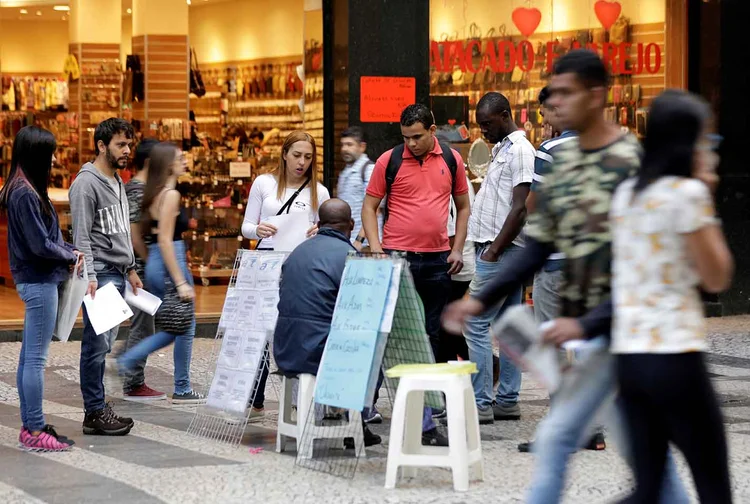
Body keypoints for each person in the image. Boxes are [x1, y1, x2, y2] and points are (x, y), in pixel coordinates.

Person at [442, 50, 688, 503]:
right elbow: (541, 241)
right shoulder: (563, 159)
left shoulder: (631, 162)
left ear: (596, 96)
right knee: (568, 444)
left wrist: (589, 323)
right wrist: (481, 298)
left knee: (646, 458)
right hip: (591, 333)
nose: (552, 102)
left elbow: (646, 265)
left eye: (564, 92)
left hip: (626, 333)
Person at [611, 90, 733, 503]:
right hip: (676, 359)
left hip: (629, 359)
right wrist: (707, 197)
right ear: (688, 142)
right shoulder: (687, 195)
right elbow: (716, 276)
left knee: (647, 491)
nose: (710, 151)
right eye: (706, 141)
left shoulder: (626, 194)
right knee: (713, 484)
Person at [363, 103, 470, 446]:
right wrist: (377, 248)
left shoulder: (452, 160)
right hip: (397, 258)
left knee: (432, 334)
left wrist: (457, 248)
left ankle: (428, 407)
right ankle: (369, 405)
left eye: (418, 137)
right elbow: (369, 206)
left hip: (439, 259)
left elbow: (464, 206)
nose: (411, 143)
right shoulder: (388, 160)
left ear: (433, 130)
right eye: (406, 137)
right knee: (387, 332)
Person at [273, 198, 380, 446]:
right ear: (351, 225)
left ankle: (352, 421)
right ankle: (357, 421)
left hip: (286, 346)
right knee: (373, 348)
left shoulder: (297, 252)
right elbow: (361, 309)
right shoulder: (348, 256)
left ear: (319, 224)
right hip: (317, 352)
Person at [241, 130, 330, 420]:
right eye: (296, 155)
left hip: (299, 264)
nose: (301, 162)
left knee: (294, 328)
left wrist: (319, 231)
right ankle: (255, 397)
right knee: (260, 329)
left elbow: (326, 232)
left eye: (307, 157)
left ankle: (298, 396)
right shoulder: (264, 183)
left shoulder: (319, 191)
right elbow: (246, 226)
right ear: (284, 154)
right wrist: (258, 229)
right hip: (266, 260)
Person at [0, 126, 78, 451]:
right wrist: (69, 254)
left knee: (29, 358)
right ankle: (33, 430)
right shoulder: (24, 193)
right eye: (51, 153)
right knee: (35, 359)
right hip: (38, 281)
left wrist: (67, 249)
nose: (55, 159)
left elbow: (45, 242)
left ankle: (31, 424)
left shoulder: (22, 188)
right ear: (37, 154)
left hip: (34, 280)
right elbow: (39, 244)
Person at [462, 92, 535, 424]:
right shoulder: (502, 148)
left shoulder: (520, 150)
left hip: (501, 249)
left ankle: (480, 402)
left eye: (487, 124)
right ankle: (507, 399)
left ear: (505, 115)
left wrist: (492, 251)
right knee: (507, 326)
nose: (483, 131)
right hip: (496, 249)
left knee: (474, 322)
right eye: (480, 125)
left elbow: (520, 208)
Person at [70, 117, 142, 436]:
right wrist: (88, 276)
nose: (127, 150)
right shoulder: (86, 184)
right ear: (101, 145)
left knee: (105, 343)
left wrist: (130, 268)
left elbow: (121, 229)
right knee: (96, 345)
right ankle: (94, 411)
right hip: (99, 273)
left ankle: (98, 406)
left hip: (116, 272)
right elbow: (81, 236)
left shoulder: (117, 180)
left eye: (129, 144)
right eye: (120, 145)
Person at [117, 142, 204, 404]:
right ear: (168, 164)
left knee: (176, 324)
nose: (185, 160)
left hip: (156, 258)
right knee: (181, 326)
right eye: (179, 157)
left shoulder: (155, 193)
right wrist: (180, 282)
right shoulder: (170, 195)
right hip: (169, 257)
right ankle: (178, 385)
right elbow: (166, 240)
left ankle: (178, 383)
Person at [118, 138, 166, 401]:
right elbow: (136, 235)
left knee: (144, 323)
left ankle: (123, 361)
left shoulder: (140, 188)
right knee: (143, 325)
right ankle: (133, 381)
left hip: (139, 267)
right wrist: (149, 263)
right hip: (139, 269)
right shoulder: (137, 190)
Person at [337, 126, 381, 248]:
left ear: (362, 147)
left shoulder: (369, 170)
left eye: (349, 144)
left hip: (366, 245)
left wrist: (360, 239)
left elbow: (375, 210)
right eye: (343, 145)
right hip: (348, 241)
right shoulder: (346, 171)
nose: (344, 149)